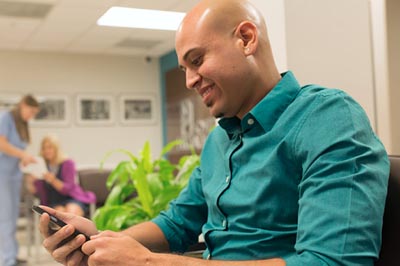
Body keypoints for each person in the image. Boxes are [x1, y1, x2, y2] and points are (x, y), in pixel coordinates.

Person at [38, 0, 389, 265]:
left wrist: (146, 261)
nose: (189, 81)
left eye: (196, 60)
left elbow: (330, 262)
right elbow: (177, 224)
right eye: (184, 68)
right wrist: (100, 241)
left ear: (246, 39)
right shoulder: (220, 140)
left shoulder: (326, 117)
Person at [0, 94, 39, 266]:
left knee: (12, 216)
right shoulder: (5, 118)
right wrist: (23, 154)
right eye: (30, 111)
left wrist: (24, 160)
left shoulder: (21, 124)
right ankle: (8, 259)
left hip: (14, 175)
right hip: (3, 174)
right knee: (5, 217)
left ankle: (13, 254)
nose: (31, 115)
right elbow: (2, 144)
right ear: (23, 105)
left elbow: (16, 150)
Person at [25, 135, 96, 216]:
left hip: (72, 198)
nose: (46, 151)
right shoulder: (41, 167)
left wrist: (53, 180)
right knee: (59, 215)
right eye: (44, 148)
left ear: (56, 149)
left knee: (71, 211)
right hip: (54, 202)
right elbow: (37, 193)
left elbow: (67, 189)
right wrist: (30, 183)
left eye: (49, 148)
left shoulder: (68, 163)